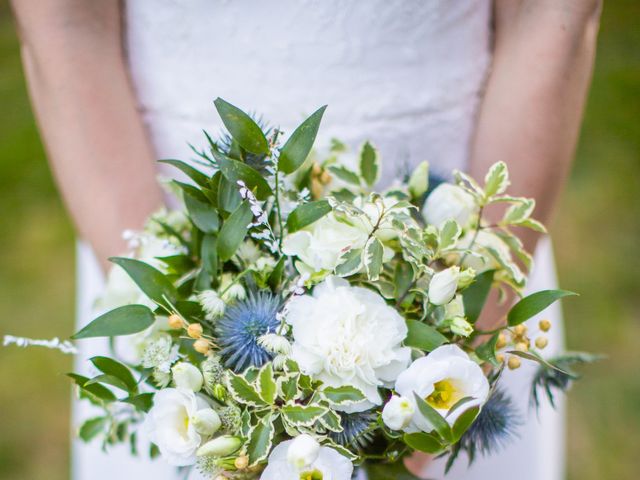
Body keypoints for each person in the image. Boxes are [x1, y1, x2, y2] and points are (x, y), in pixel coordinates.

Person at [11, 1, 601, 479]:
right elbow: (64, 22)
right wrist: (182, 339)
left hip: (461, 245)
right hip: (157, 218)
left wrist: (420, 422)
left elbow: (551, 17)